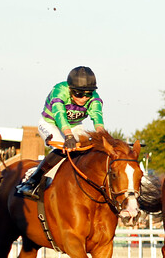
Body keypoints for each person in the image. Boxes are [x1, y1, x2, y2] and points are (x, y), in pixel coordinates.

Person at [17, 66, 104, 199]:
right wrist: (68, 135)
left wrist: (103, 138)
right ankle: (32, 181)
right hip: (50, 124)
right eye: (79, 94)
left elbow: (97, 118)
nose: (84, 98)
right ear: (70, 89)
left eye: (88, 94)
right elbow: (60, 115)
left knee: (86, 148)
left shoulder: (94, 99)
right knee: (63, 148)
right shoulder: (59, 91)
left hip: (75, 126)